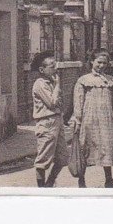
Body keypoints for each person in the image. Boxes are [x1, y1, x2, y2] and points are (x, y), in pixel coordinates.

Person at [71, 49, 113, 188]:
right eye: (99, 62)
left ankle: (109, 179)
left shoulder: (110, 80)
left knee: (107, 147)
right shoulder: (84, 80)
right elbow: (78, 100)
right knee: (85, 147)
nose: (102, 65)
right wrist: (77, 119)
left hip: (106, 118)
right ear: (92, 61)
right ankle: (82, 179)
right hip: (89, 118)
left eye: (105, 63)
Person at [31, 51, 69, 188]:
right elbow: (52, 103)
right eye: (52, 66)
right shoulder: (40, 84)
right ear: (42, 69)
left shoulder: (52, 82)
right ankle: (41, 189)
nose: (56, 69)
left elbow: (59, 103)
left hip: (57, 120)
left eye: (56, 65)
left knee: (63, 158)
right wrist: (58, 85)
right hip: (46, 122)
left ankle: (49, 183)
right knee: (43, 160)